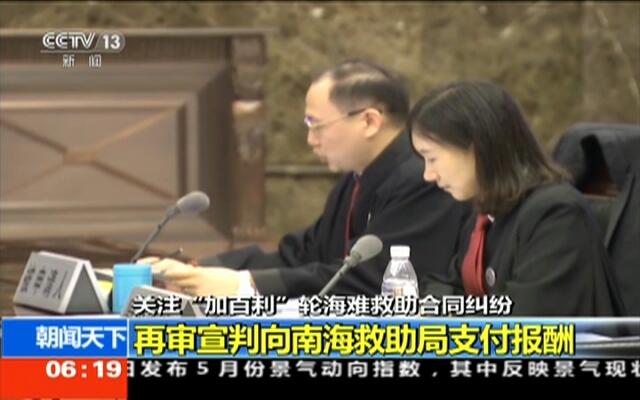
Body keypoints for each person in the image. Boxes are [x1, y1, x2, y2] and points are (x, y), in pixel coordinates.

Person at [143, 60, 469, 298]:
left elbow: (371, 279)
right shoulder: (356, 179)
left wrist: (245, 285)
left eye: (317, 125)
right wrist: (196, 268)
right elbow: (301, 253)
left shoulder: (422, 179)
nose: (311, 140)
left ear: (369, 121)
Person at [408, 80, 626, 316]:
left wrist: (444, 313)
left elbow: (523, 318)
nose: (428, 175)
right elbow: (446, 285)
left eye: (432, 158)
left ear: (478, 146)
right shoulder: (486, 213)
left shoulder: (556, 215)